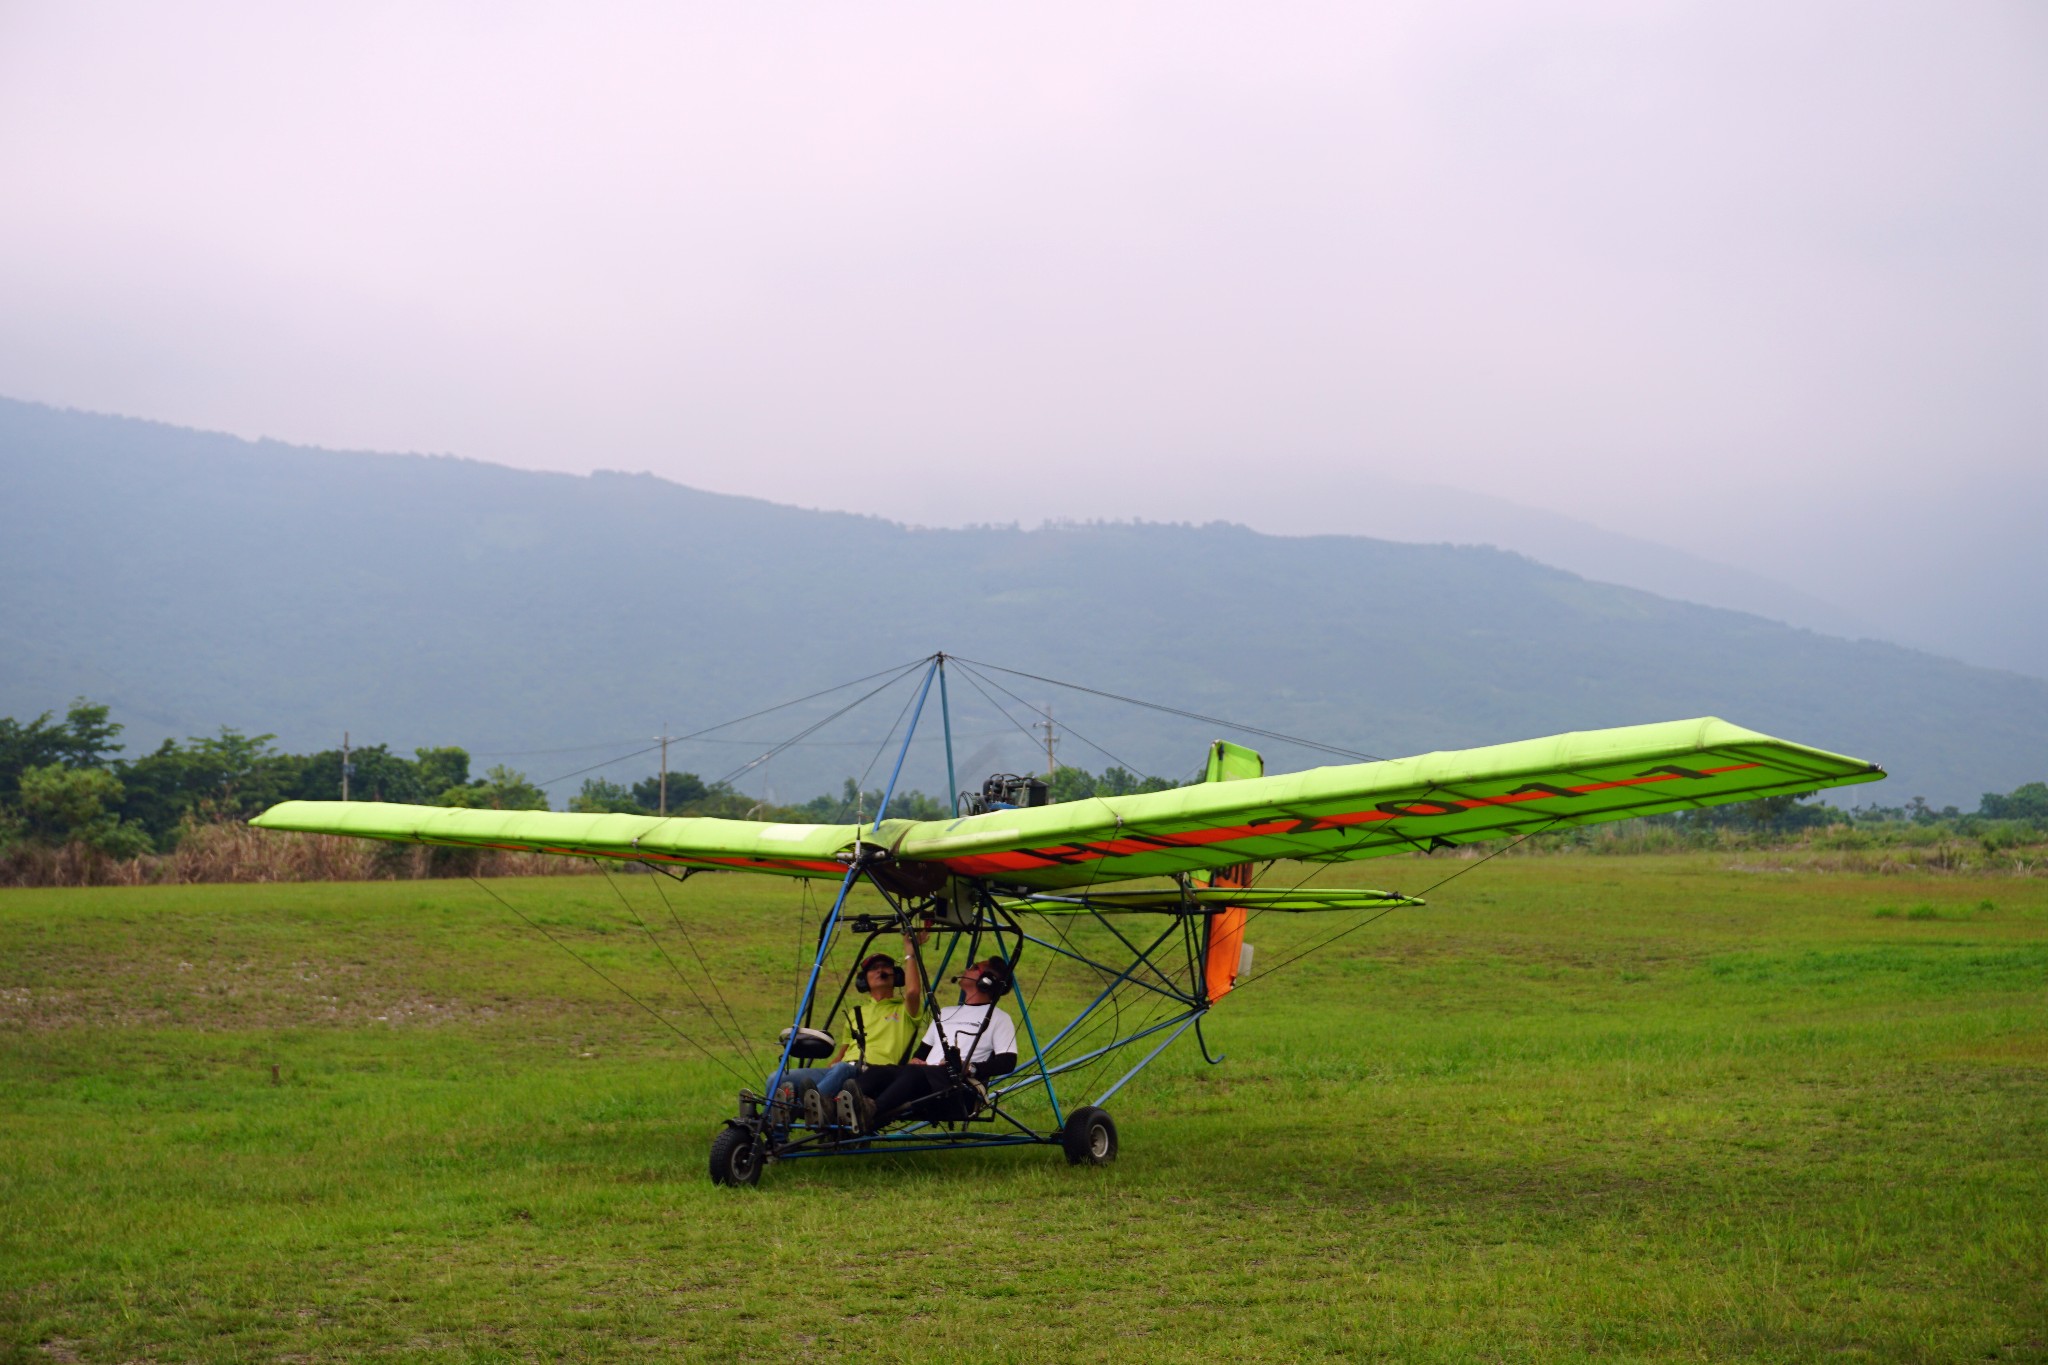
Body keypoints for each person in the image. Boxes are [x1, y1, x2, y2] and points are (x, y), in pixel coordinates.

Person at [774, 931, 927, 1130]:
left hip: (875, 1073)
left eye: (885, 966)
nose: (880, 970)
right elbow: (844, 1051)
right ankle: (775, 1140)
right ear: (864, 981)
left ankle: (799, 1109)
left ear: (896, 975)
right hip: (843, 1069)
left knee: (843, 1068)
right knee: (778, 1078)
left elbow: (913, 992)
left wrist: (910, 953)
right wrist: (836, 1060)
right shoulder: (856, 1013)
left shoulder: (904, 1010)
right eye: (874, 968)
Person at [863, 957, 1018, 1130]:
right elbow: (921, 1054)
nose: (967, 967)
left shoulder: (999, 1018)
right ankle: (834, 1107)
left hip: (956, 1089)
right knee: (877, 1072)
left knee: (913, 1073)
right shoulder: (945, 1013)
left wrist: (970, 1068)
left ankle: (870, 1113)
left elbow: (1008, 1062)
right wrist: (916, 1060)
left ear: (986, 981)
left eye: (975, 967)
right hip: (924, 1080)